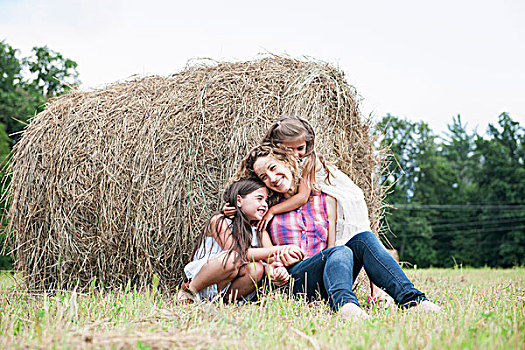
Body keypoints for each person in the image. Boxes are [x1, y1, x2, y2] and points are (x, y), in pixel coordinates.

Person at [237, 144, 441, 320]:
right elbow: (270, 258)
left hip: (331, 273)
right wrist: (277, 268)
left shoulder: (326, 198)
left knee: (363, 240)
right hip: (296, 281)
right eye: (264, 176)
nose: (272, 178)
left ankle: (413, 301)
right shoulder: (265, 210)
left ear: (288, 162)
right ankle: (345, 306)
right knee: (338, 251)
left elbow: (333, 241)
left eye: (273, 168)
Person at [256, 115, 389, 305]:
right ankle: (345, 298)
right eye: (288, 150)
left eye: (300, 148)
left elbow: (302, 197)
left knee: (361, 235)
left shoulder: (309, 162)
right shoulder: (275, 173)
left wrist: (272, 211)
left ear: (308, 144)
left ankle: (378, 289)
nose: (295, 154)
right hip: (299, 273)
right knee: (348, 246)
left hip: (346, 196)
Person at [177, 178, 304, 302]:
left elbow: (271, 259)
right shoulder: (220, 221)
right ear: (239, 200)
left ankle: (224, 301)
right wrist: (279, 249)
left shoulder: (259, 231)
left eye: (266, 201)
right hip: (205, 282)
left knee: (257, 268)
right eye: (259, 199)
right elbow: (240, 254)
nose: (264, 205)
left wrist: (279, 267)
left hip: (229, 288)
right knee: (233, 258)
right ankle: (189, 291)